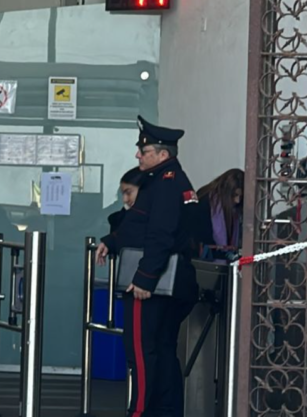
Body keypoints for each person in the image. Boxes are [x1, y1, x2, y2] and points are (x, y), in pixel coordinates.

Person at [96, 116, 199, 417]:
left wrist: (144, 279)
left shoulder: (165, 185)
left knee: (141, 351)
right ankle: (165, 411)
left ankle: (140, 411)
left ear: (163, 155)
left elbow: (160, 235)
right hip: (167, 283)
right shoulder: (164, 181)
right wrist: (112, 241)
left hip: (152, 285)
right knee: (164, 350)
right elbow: (138, 226)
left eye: (144, 151)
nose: (137, 155)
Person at [96, 167, 146, 264]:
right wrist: (109, 242)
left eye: (128, 192)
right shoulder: (122, 218)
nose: (125, 199)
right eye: (123, 194)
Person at [192, 168, 244, 261]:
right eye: (234, 195)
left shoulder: (234, 207)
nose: (237, 200)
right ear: (227, 191)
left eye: (241, 196)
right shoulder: (206, 201)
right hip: (205, 260)